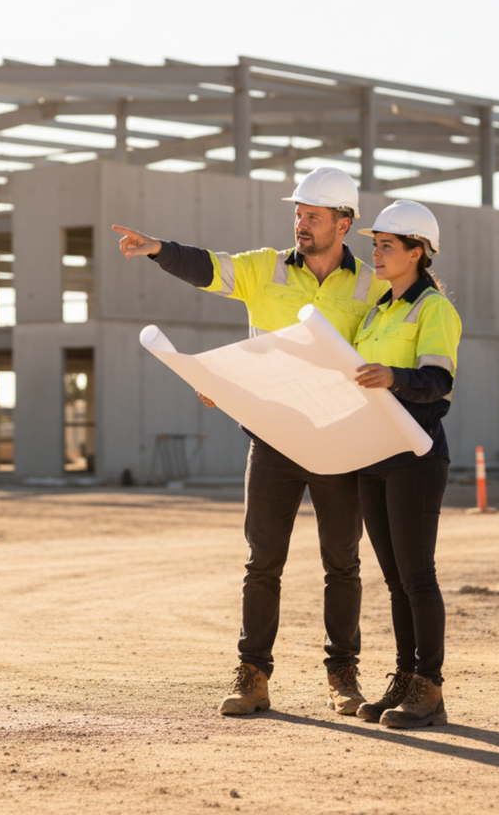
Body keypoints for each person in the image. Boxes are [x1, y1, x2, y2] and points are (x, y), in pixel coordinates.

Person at [112, 167, 388, 716]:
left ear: (344, 222)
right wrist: (158, 249)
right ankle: (253, 676)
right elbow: (209, 267)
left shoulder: (372, 284)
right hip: (275, 438)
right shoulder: (266, 268)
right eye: (298, 213)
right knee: (262, 563)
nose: (301, 223)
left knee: (343, 564)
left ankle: (343, 676)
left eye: (312, 216)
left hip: (340, 441)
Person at [351, 199, 461, 728]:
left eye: (387, 245)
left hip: (414, 457)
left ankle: (429, 686)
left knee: (418, 577)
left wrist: (393, 376)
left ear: (417, 252)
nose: (376, 253)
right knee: (394, 580)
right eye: (375, 244)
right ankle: (403, 679)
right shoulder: (377, 309)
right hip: (371, 455)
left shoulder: (434, 310)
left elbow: (438, 386)